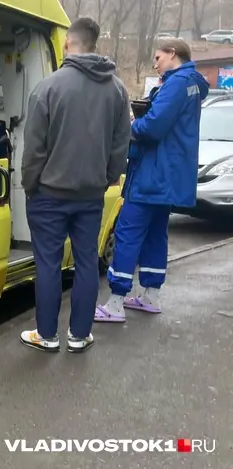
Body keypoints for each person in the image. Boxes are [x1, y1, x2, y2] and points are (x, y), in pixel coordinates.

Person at [19, 17, 130, 353]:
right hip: (91, 195)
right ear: (95, 45)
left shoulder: (48, 87)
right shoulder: (118, 90)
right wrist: (106, 178)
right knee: (86, 262)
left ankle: (47, 335)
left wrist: (30, 185)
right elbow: (120, 146)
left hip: (48, 195)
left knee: (48, 264)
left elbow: (34, 149)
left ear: (68, 43)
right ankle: (80, 335)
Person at [95, 39, 209, 322]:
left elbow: (154, 127)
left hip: (152, 175)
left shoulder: (177, 83)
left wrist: (132, 125)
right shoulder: (192, 84)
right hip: (168, 177)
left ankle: (116, 303)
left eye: (158, 57)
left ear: (173, 54)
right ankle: (150, 296)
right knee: (156, 234)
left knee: (127, 232)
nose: (155, 63)